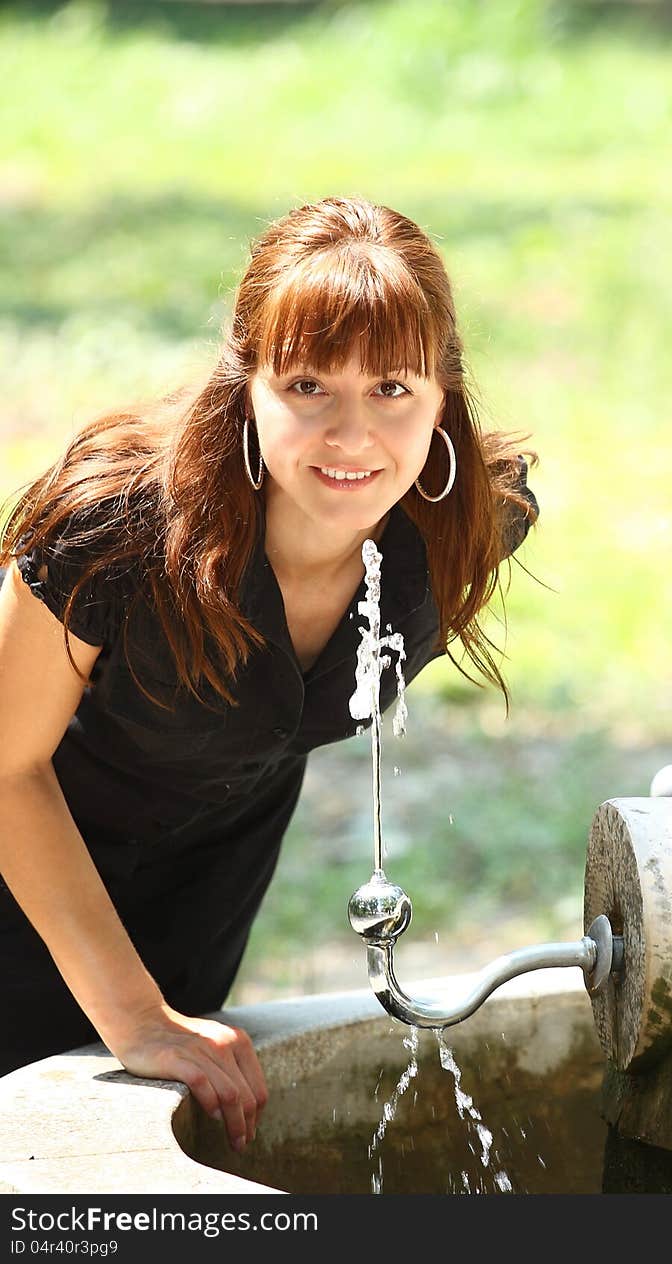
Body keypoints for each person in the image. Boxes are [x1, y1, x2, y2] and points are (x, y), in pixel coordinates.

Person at [0, 195, 538, 1155]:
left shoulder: (466, 527)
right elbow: (2, 766)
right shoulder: (112, 530)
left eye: (392, 390)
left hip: (205, 895)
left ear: (444, 393)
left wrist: (158, 1008)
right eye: (307, 387)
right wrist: (133, 1013)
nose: (352, 435)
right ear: (244, 385)